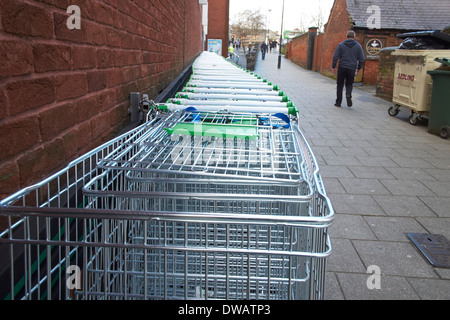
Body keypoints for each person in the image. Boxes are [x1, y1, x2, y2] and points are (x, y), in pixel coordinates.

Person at [332, 30, 365, 108]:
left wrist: (334, 66)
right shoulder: (358, 46)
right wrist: (358, 68)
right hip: (352, 68)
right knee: (349, 84)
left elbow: (335, 56)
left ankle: (338, 102)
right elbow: (362, 59)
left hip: (342, 67)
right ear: (354, 37)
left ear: (346, 36)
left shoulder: (341, 45)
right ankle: (348, 95)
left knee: (340, 85)